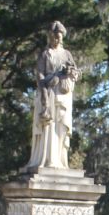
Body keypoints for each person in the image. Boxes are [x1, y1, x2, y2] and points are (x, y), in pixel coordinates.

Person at [26, 21, 79, 170]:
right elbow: (40, 75)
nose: (56, 39)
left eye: (59, 37)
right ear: (49, 37)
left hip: (62, 95)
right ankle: (47, 159)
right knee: (48, 126)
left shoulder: (67, 54)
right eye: (53, 37)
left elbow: (75, 72)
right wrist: (44, 94)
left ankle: (60, 160)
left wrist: (70, 73)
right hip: (47, 94)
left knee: (60, 126)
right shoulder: (45, 54)